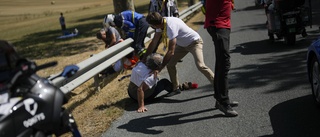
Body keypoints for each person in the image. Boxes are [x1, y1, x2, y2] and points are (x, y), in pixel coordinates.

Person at [144, 12, 215, 98]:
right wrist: (144, 58)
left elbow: (171, 51)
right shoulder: (162, 23)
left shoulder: (170, 26)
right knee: (170, 64)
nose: (152, 27)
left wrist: (159, 69)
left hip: (194, 42)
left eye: (151, 25)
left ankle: (218, 86)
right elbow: (154, 42)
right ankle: (176, 88)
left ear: (156, 25)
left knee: (200, 65)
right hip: (182, 45)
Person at [204, 0, 239, 117]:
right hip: (218, 25)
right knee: (224, 63)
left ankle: (220, 98)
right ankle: (223, 102)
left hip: (223, 24)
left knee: (221, 63)